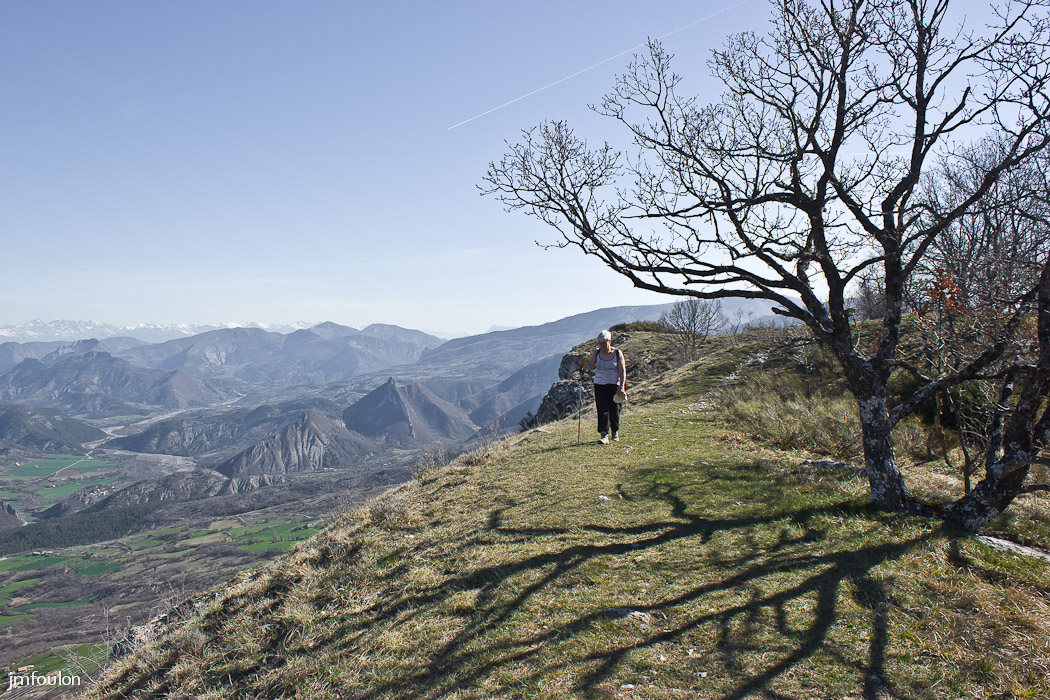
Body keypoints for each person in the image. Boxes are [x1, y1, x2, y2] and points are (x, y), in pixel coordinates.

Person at [579, 330, 627, 444]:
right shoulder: (597, 352)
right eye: (600, 343)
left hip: (613, 385)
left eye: (604, 343)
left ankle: (615, 432)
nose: (601, 345)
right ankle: (604, 434)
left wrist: (621, 386)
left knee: (615, 409)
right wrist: (583, 364)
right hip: (600, 384)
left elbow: (622, 370)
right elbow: (590, 366)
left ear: (610, 341)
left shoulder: (617, 353)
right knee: (602, 409)